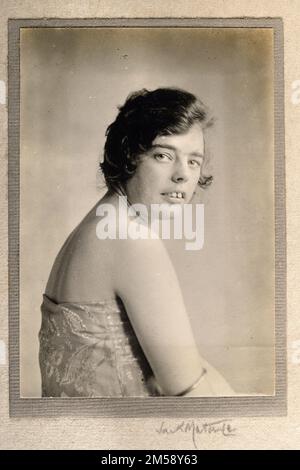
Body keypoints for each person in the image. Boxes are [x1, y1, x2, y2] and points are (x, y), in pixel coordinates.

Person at [39, 87, 235, 397]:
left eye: (194, 161)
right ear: (131, 155)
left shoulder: (98, 225)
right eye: (163, 155)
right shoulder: (131, 239)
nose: (182, 175)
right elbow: (188, 394)